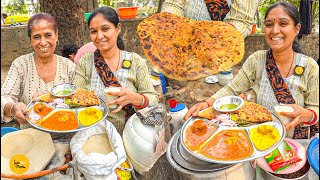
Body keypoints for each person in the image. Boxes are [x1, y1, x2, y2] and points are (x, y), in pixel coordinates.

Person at [184, 2, 319, 139]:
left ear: (297, 29)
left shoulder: (310, 67)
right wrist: (206, 104)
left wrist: (309, 114)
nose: (274, 30)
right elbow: (232, 89)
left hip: (295, 145)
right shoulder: (257, 60)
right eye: (269, 24)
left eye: (283, 24)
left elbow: (316, 107)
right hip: (261, 140)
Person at [73, 6, 158, 133]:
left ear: (118, 28)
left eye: (105, 29)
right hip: (93, 133)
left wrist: (135, 98)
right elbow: (75, 96)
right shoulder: (86, 62)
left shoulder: (135, 61)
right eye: (93, 31)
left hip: (129, 135)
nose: (99, 36)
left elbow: (153, 98)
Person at [1, 13, 76, 128]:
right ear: (30, 39)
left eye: (48, 35)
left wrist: (52, 100)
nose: (43, 42)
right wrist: (14, 108)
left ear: (56, 36)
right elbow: (5, 97)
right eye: (36, 37)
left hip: (65, 132)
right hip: (31, 135)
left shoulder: (68, 66)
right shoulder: (20, 65)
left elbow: (79, 99)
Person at [161, 0, 260, 38]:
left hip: (221, 48)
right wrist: (174, 28)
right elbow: (173, 4)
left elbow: (240, 21)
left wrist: (210, 40)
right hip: (182, 42)